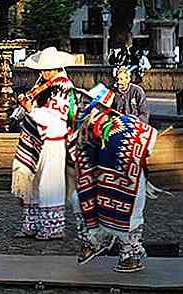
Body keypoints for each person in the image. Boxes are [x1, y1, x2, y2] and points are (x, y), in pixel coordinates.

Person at [72, 84, 158, 273]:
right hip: (106, 180)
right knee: (78, 200)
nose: (81, 106)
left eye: (87, 102)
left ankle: (130, 256)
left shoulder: (122, 123)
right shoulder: (88, 130)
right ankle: (94, 241)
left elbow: (147, 139)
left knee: (129, 215)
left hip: (130, 180)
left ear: (99, 107)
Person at [13, 47, 75, 240]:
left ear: (55, 68)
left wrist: (31, 110)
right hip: (36, 140)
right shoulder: (44, 84)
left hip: (53, 141)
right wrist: (25, 108)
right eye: (41, 69)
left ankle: (52, 228)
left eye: (46, 69)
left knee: (50, 183)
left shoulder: (63, 86)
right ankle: (31, 224)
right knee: (34, 181)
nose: (42, 72)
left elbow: (56, 116)